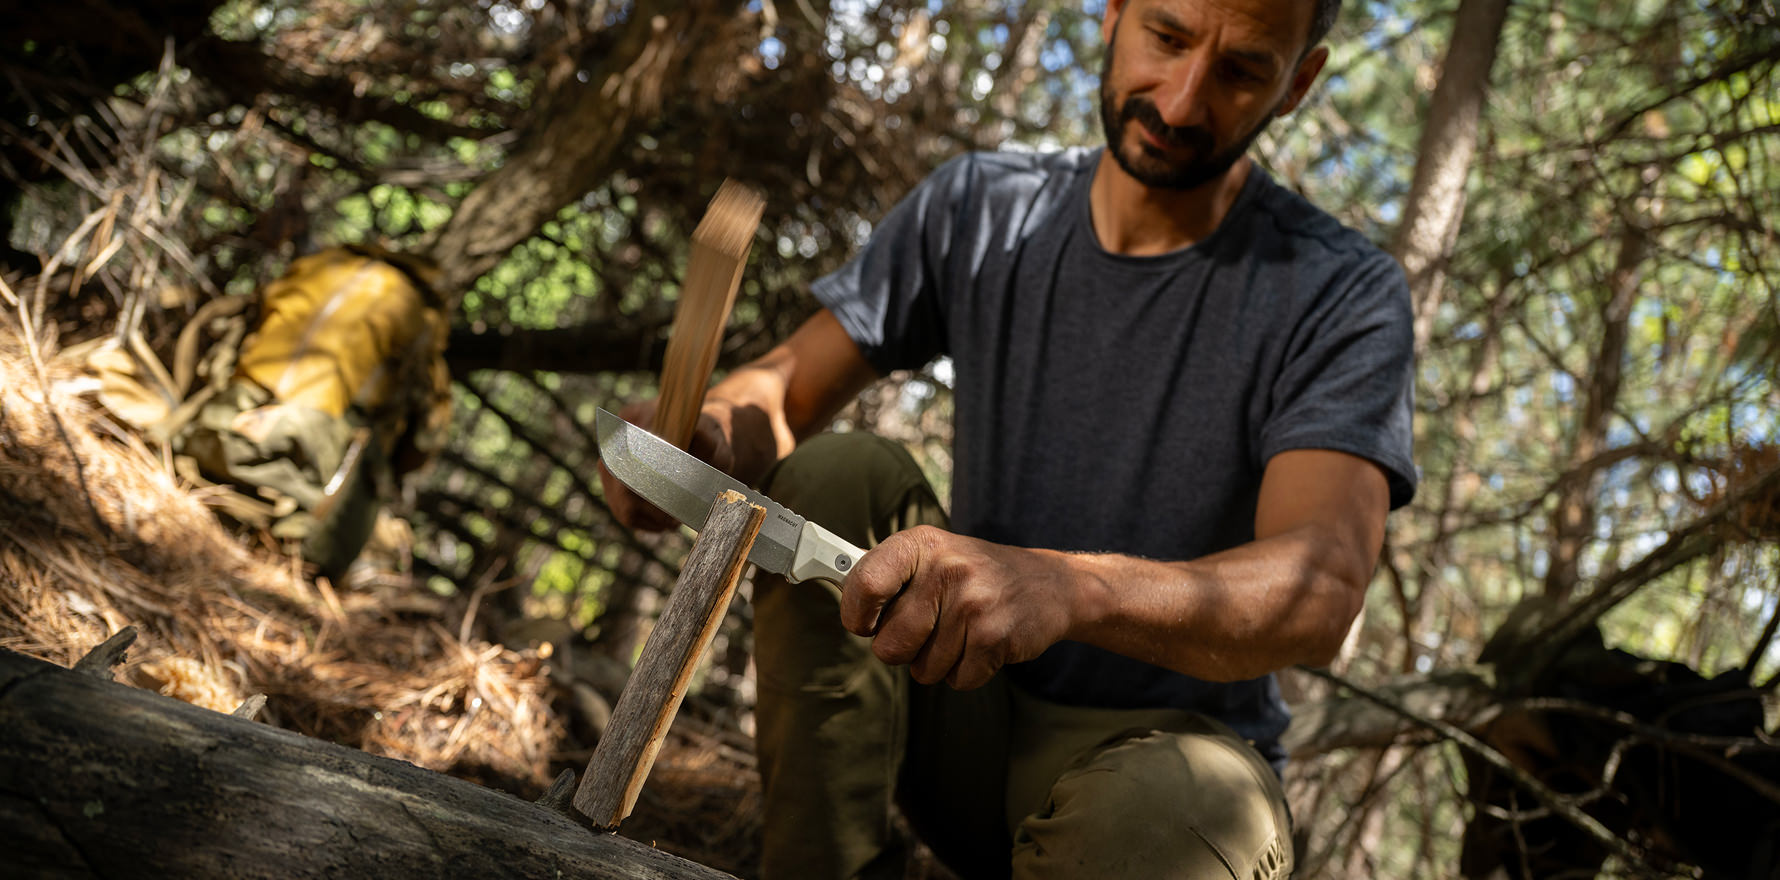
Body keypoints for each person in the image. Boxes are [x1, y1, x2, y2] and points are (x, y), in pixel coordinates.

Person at [603, 0, 1416, 876]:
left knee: (1163, 818)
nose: (1180, 103)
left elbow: (1322, 583)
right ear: (1112, 15)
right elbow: (784, 388)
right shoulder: (986, 206)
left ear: (1298, 82)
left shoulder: (1340, 292)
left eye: (1242, 69)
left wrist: (1068, 587)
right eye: (1169, 38)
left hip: (1166, 771)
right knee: (838, 474)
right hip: (956, 703)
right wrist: (713, 435)